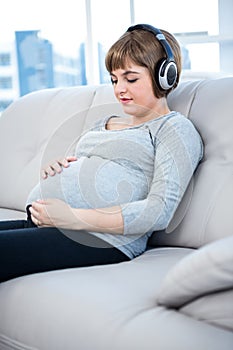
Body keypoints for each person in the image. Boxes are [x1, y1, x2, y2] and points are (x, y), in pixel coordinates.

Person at [0, 24, 203, 283]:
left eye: (131, 79)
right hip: (51, 224)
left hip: (100, 239)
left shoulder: (173, 128)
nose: (119, 89)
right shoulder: (105, 123)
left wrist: (73, 217)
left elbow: (158, 211)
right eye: (114, 79)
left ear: (165, 76)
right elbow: (86, 172)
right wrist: (60, 168)